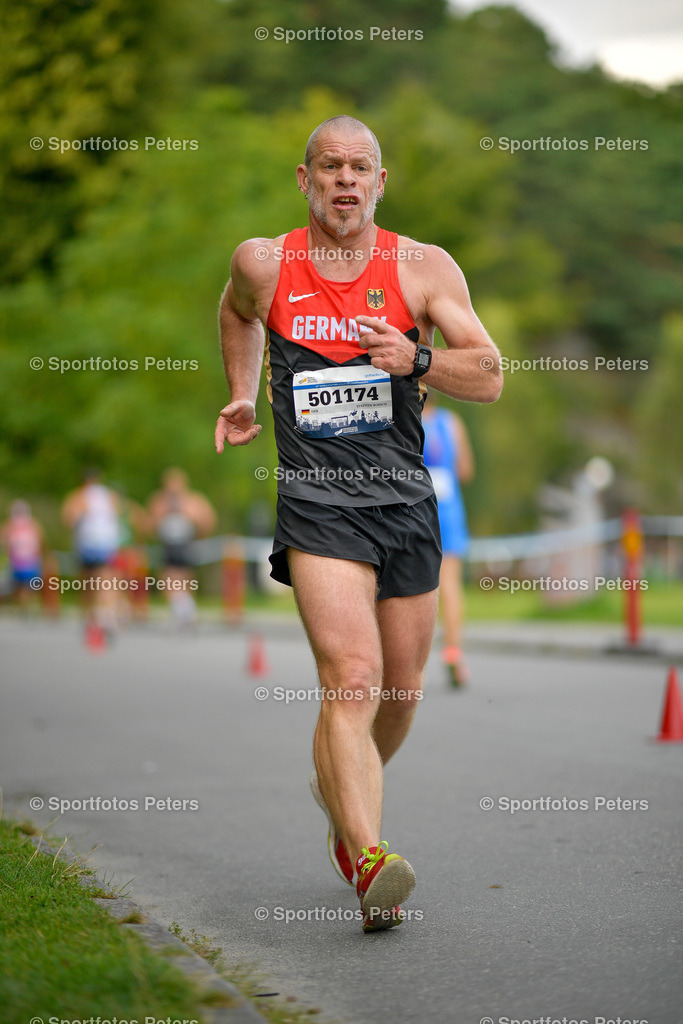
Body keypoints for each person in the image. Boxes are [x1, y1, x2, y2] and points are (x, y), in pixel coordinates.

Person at [214, 115, 502, 932]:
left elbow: (488, 374)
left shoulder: (421, 267)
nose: (345, 179)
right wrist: (241, 392)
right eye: (330, 166)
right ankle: (369, 857)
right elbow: (236, 314)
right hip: (316, 503)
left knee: (399, 691)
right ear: (304, 179)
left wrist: (417, 359)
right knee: (351, 675)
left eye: (360, 167)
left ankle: (342, 798)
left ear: (380, 182)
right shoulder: (263, 263)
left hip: (404, 502)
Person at [422, 400, 475, 687]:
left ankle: (405, 662)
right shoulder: (451, 422)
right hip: (448, 508)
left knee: (407, 583)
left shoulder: (400, 418)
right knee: (450, 584)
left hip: (414, 508)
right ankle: (453, 653)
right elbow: (465, 470)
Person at [148, 468, 217, 628]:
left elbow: (208, 520)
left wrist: (197, 527)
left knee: (184, 576)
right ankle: (182, 610)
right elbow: (150, 523)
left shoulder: (193, 500)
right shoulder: (160, 501)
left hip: (186, 543)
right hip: (167, 544)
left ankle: (186, 610)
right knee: (168, 577)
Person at [62, 469, 122, 638]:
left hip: (88, 543)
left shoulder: (78, 496)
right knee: (104, 579)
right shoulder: (109, 495)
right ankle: (105, 615)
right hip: (105, 543)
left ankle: (93, 617)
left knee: (89, 582)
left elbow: (68, 519)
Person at [1, 500, 44, 610]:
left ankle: (23, 606)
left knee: (23, 587)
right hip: (24, 562)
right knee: (24, 587)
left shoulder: (11, 526)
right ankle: (24, 606)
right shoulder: (32, 525)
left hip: (22, 562)